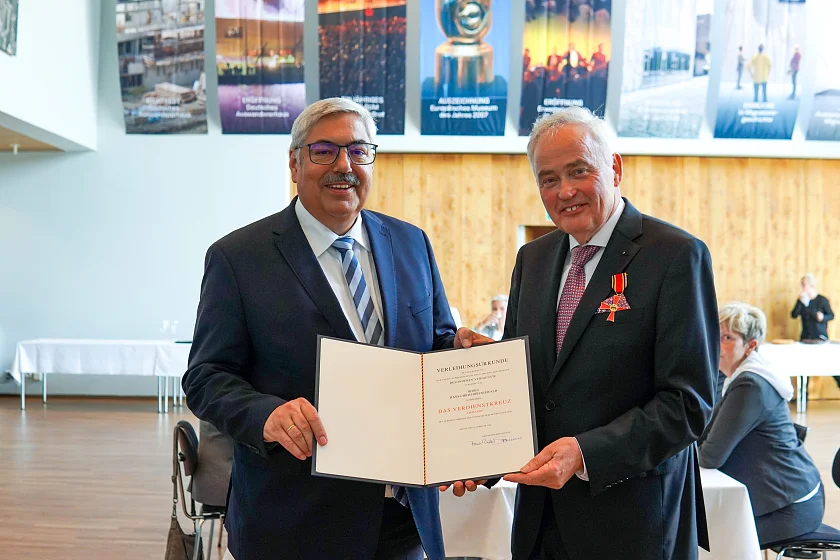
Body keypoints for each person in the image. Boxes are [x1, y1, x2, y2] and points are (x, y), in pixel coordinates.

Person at [182, 98, 490, 560]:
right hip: (294, 521)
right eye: (324, 150)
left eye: (358, 151)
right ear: (294, 162)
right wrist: (266, 414)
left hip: (404, 516)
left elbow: (437, 342)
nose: (344, 165)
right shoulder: (238, 259)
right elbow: (206, 376)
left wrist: (461, 353)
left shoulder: (411, 243)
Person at [499, 107, 718, 559]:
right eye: (548, 179)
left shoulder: (675, 256)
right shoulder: (533, 259)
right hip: (539, 522)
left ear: (615, 168)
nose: (566, 191)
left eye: (579, 171)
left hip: (631, 523)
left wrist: (586, 452)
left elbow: (688, 403)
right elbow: (518, 381)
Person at [698, 302, 824, 547]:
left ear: (750, 346)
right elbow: (705, 430)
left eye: (726, 337)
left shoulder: (751, 385)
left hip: (791, 505)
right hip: (777, 496)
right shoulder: (732, 375)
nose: (716, 344)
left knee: (709, 537)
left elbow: (710, 456)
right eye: (715, 334)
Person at [791, 273, 839, 389]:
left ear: (811, 286)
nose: (802, 288)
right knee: (803, 369)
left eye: (804, 285)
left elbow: (831, 315)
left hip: (820, 338)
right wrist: (800, 301)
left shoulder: (822, 300)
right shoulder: (802, 300)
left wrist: (822, 317)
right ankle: (803, 396)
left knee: (831, 366)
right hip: (806, 339)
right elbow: (793, 315)